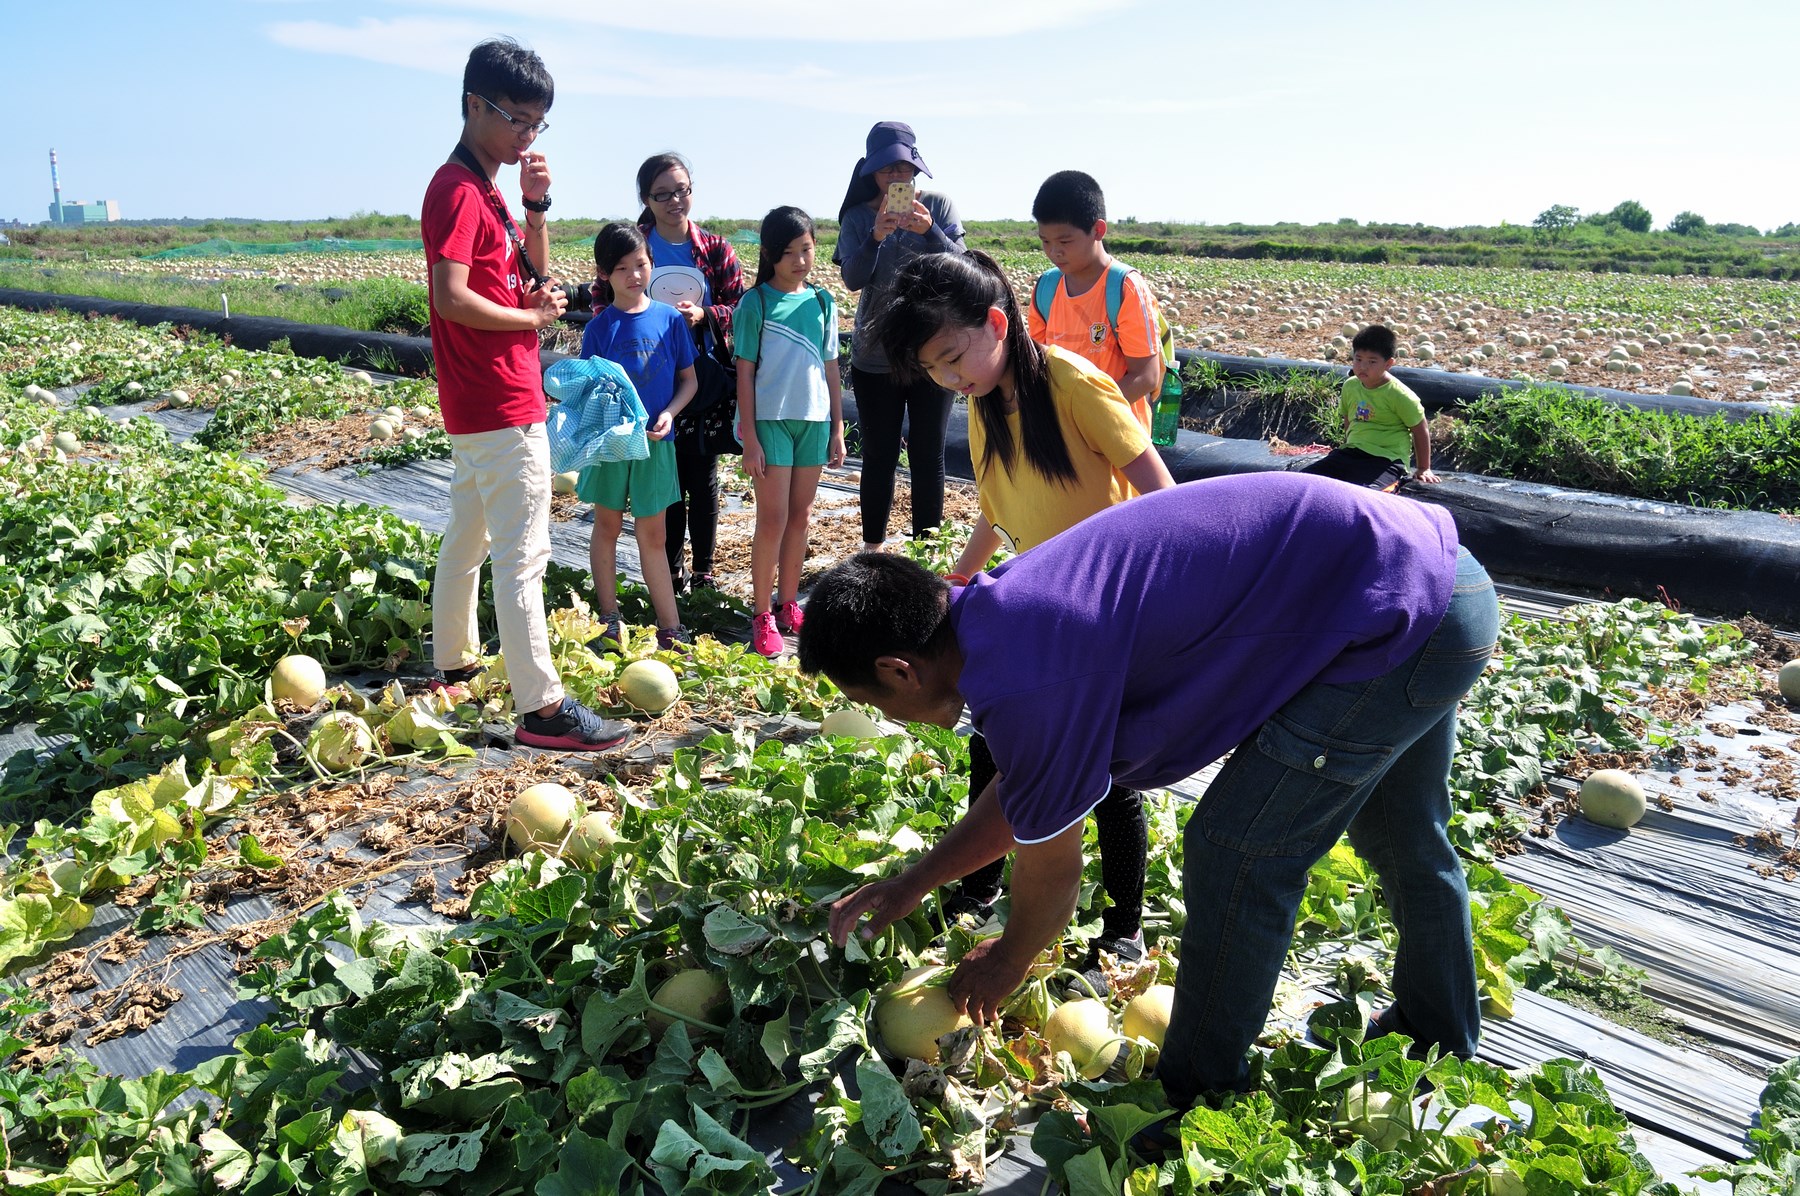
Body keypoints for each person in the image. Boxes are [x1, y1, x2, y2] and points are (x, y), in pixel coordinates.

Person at [803, 472, 1499, 1108]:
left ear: (899, 671)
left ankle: (1193, 1099)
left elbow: (1054, 866)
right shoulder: (997, 619)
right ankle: (1435, 1031)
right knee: (1401, 834)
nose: (886, 717)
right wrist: (914, 882)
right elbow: (1029, 796)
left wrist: (1009, 959)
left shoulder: (1029, 677)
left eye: (869, 698)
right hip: (1431, 579)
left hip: (1393, 617)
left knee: (1237, 851)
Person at [868, 248, 1176, 988]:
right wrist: (959, 581)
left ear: (997, 323)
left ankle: (1125, 928)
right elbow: (997, 512)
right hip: (1042, 610)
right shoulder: (982, 405)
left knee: (1111, 774)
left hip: (1109, 613)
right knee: (992, 745)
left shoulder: (1073, 384)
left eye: (953, 357)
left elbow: (1160, 493)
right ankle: (979, 889)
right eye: (935, 371)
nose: (950, 378)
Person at [421, 37, 629, 752]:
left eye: (538, 124)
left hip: (481, 401)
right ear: (475, 104)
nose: (527, 136)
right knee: (522, 555)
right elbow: (451, 299)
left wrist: (536, 209)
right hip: (501, 399)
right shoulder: (455, 191)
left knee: (470, 535)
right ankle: (541, 707)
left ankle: (453, 660)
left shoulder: (486, 191)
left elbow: (521, 271)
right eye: (518, 120)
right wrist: (533, 318)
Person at [588, 153, 745, 593]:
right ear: (646, 199)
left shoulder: (715, 248)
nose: (675, 200)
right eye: (663, 194)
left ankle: (705, 569)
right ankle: (671, 570)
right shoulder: (633, 245)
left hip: (701, 377)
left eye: (682, 190)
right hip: (646, 384)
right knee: (665, 477)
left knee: (702, 474)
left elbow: (741, 305)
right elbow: (603, 299)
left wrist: (705, 314)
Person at [834, 121, 966, 551]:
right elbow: (853, 279)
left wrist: (929, 231)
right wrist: (875, 236)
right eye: (886, 170)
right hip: (875, 355)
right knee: (879, 456)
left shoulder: (939, 208)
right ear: (872, 173)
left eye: (902, 169)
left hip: (935, 350)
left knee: (929, 454)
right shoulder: (857, 217)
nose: (895, 178)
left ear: (915, 171)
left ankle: (927, 550)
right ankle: (873, 550)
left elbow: (964, 270)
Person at [577, 222, 698, 654]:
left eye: (641, 264)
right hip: (612, 446)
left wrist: (668, 413)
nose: (634, 275)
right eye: (622, 267)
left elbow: (689, 381)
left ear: (652, 263)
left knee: (655, 536)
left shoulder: (669, 320)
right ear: (604, 274)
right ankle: (609, 620)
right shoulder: (599, 329)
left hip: (656, 444)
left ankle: (671, 627)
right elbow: (588, 391)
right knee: (606, 526)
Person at [734, 207, 846, 657]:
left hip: (814, 421)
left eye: (807, 250)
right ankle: (761, 613)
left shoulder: (822, 302)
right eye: (789, 253)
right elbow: (744, 374)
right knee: (773, 519)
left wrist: (838, 426)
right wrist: (751, 438)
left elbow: (832, 366)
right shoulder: (755, 303)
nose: (800, 261)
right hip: (771, 422)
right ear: (769, 255)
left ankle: (788, 602)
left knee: (800, 518)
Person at [1027, 170, 1167, 431]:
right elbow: (1039, 363)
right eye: (1045, 241)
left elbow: (1146, 377)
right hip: (1065, 435)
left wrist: (1087, 414)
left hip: (1119, 436)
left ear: (1098, 230)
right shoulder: (1046, 289)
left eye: (1064, 241)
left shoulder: (1124, 288)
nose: (1054, 251)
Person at [1302, 324, 1441, 489]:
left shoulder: (1400, 395)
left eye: (1372, 362)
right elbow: (1349, 420)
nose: (1363, 367)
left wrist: (1424, 468)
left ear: (1388, 364)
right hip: (1351, 453)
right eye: (1358, 359)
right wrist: (1346, 450)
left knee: (1368, 495)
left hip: (1387, 460)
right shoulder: (1350, 386)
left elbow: (1420, 429)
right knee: (1303, 481)